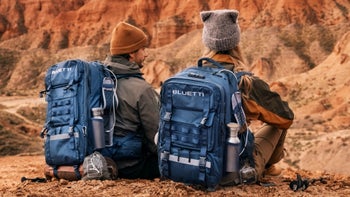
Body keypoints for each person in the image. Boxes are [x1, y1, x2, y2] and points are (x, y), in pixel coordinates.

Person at [199, 9, 294, 185]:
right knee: (278, 125)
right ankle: (267, 167)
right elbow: (286, 118)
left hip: (191, 164)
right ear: (236, 42)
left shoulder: (193, 77)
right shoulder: (244, 81)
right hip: (230, 171)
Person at [100, 22, 160, 180]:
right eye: (143, 49)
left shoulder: (98, 80)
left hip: (100, 161)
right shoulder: (142, 89)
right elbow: (155, 140)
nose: (146, 54)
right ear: (131, 54)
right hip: (133, 167)